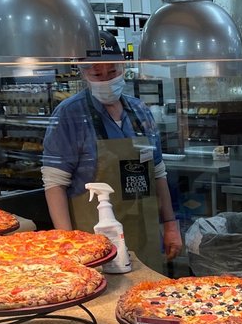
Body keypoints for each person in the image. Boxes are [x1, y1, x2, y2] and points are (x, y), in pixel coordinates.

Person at [41, 32, 181, 269]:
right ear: (83, 72)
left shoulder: (140, 111)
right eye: (97, 74)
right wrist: (67, 244)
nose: (106, 79)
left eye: (113, 71)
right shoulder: (69, 114)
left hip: (145, 234)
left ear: (123, 66)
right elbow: (54, 184)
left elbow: (158, 173)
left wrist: (170, 225)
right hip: (94, 241)